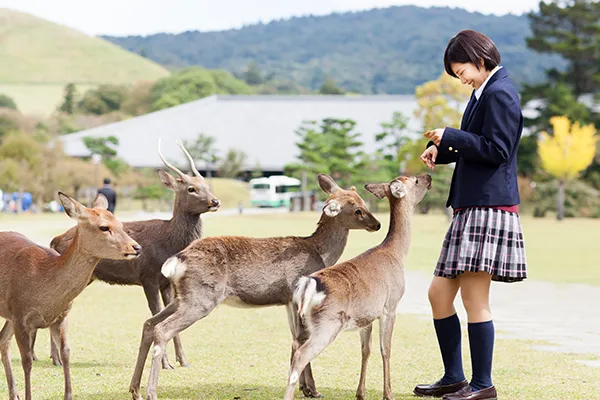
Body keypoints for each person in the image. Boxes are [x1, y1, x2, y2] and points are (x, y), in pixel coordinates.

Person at [413, 30, 527, 400]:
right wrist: (441, 149)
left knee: (475, 300)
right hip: (472, 207)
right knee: (438, 295)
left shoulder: (500, 92)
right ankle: (454, 377)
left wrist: (452, 136)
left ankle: (482, 385)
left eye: (460, 70)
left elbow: (498, 149)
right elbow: (477, 145)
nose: (460, 78)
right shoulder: (483, 93)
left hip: (488, 207)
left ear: (479, 58)